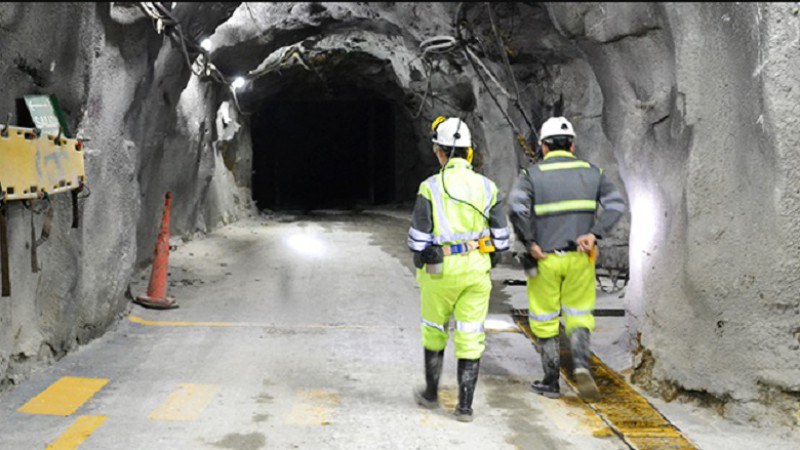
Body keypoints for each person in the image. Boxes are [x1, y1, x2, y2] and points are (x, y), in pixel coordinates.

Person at [507, 116, 625, 401]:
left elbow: (515, 208)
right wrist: (594, 233)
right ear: (572, 145)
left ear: (544, 146)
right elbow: (616, 205)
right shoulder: (593, 173)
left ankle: (550, 381)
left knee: (545, 318)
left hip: (545, 258)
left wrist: (530, 242)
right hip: (580, 257)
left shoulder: (532, 175)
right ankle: (582, 366)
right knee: (579, 314)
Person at [407, 116, 510, 422]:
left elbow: (418, 239)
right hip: (476, 270)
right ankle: (464, 406)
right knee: (470, 333)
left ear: (440, 151)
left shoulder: (430, 187)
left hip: (439, 272)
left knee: (434, 330)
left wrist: (421, 257)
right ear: (469, 152)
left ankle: (431, 393)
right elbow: (501, 239)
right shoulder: (488, 188)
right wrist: (487, 258)